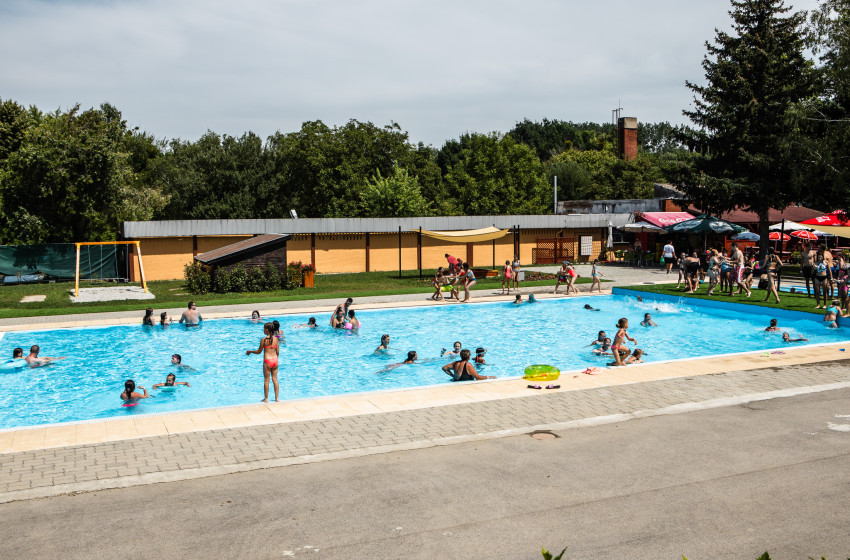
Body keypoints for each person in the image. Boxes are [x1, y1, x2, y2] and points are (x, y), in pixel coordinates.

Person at [246, 322, 280, 402]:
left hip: (267, 361)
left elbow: (259, 351)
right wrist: (275, 358)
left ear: (267, 330)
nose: (263, 330)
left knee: (266, 380)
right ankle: (277, 398)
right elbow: (278, 352)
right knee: (275, 379)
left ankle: (266, 398)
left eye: (264, 329)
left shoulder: (263, 340)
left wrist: (250, 351)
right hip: (275, 360)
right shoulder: (276, 339)